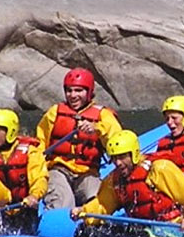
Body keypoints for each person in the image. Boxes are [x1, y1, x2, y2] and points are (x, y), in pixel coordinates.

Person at [71, 130, 184, 237]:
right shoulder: (115, 179)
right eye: (114, 158)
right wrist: (85, 211)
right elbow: (102, 204)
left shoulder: (158, 169)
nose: (118, 163)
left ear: (133, 154)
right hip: (140, 227)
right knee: (85, 231)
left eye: (122, 157)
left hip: (168, 231)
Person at [35, 67, 121, 210]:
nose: (73, 95)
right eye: (69, 90)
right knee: (63, 202)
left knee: (98, 201)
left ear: (89, 92)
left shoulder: (103, 116)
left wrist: (97, 129)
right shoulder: (54, 113)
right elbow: (40, 143)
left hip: (88, 173)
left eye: (78, 90)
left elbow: (118, 142)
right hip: (58, 169)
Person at [0, 108, 47, 235]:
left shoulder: (31, 152)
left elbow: (39, 178)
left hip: (23, 208)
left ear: (10, 131)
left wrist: (34, 196)